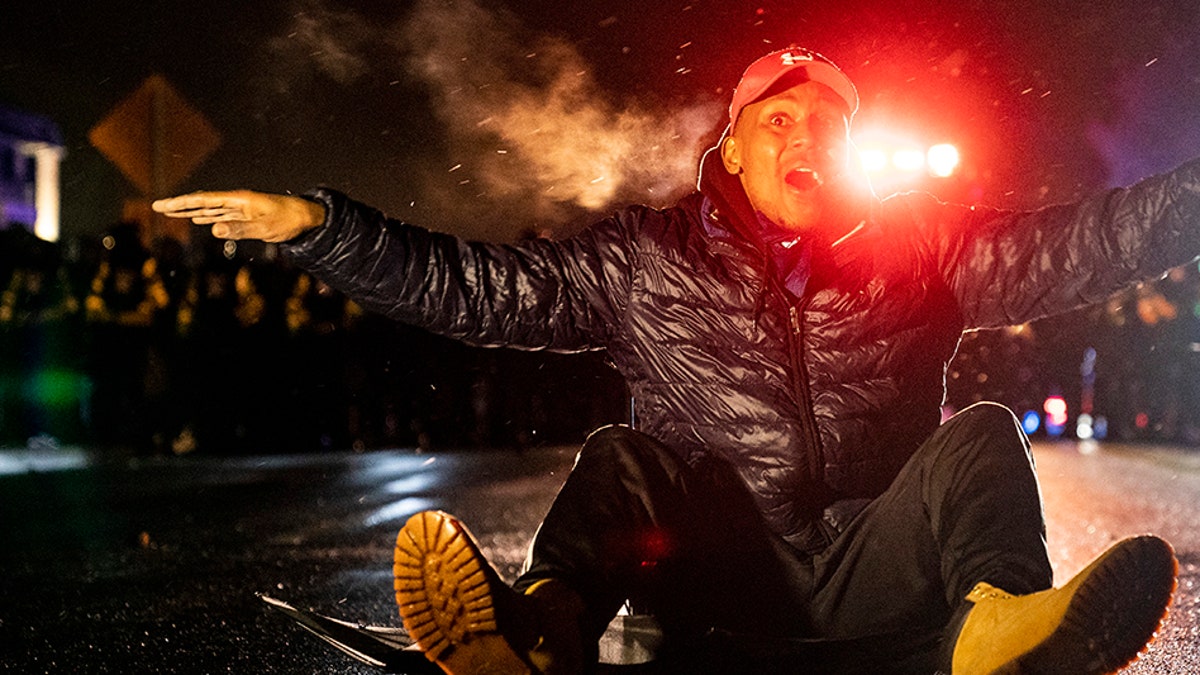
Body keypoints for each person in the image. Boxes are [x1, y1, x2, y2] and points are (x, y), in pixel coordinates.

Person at [154, 48, 1187, 674]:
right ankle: (538, 635)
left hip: (885, 578)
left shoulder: (918, 247)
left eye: (830, 125)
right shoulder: (647, 259)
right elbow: (474, 288)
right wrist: (319, 229)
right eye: (779, 120)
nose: (807, 138)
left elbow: (1087, 243)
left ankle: (998, 635)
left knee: (982, 439)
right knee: (626, 457)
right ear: (732, 149)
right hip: (716, 583)